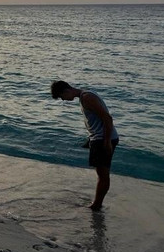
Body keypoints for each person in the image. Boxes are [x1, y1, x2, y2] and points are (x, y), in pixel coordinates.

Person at [51, 80, 120, 211]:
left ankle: (97, 205)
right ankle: (97, 203)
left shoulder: (87, 98)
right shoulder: (84, 97)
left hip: (103, 139)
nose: (64, 100)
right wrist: (90, 140)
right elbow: (96, 121)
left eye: (62, 97)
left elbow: (107, 119)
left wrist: (106, 142)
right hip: (98, 138)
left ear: (66, 90)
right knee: (101, 173)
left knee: (103, 174)